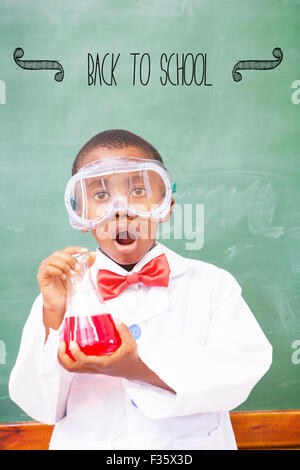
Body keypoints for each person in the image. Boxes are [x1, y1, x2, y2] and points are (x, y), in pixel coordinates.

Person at [9, 129, 272, 450]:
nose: (122, 210)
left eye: (138, 190)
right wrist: (53, 316)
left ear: (166, 205)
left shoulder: (213, 285)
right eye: (101, 195)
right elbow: (40, 407)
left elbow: (239, 374)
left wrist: (138, 370)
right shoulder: (62, 292)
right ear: (81, 214)